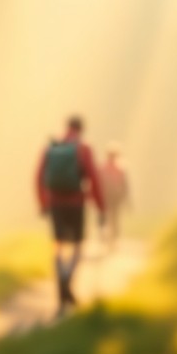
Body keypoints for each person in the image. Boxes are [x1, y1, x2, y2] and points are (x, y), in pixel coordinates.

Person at [36, 115, 105, 317]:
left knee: (58, 244)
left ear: (66, 126)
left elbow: (38, 176)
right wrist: (100, 206)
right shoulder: (83, 148)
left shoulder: (51, 147)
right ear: (81, 128)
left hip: (55, 203)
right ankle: (67, 278)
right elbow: (93, 177)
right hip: (77, 203)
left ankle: (61, 282)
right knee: (77, 245)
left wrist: (43, 203)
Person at [98, 143, 130, 252]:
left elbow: (124, 185)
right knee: (110, 218)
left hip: (111, 197)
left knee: (111, 218)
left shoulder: (106, 168)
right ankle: (109, 239)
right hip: (110, 196)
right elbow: (124, 185)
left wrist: (126, 198)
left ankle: (111, 240)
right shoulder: (118, 168)